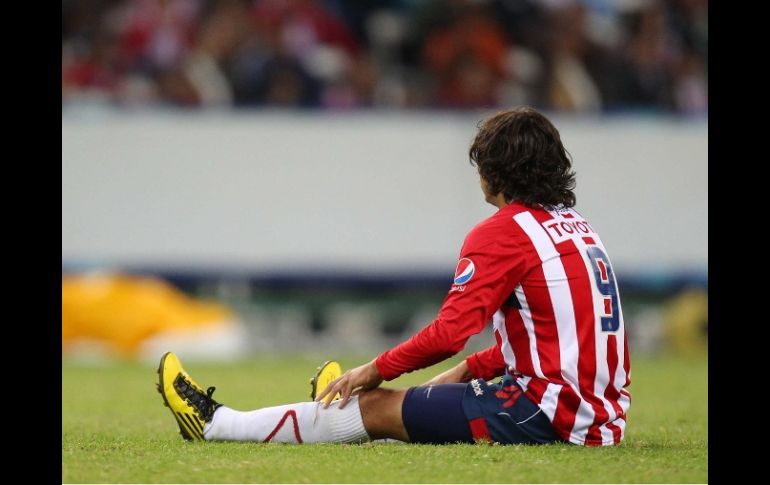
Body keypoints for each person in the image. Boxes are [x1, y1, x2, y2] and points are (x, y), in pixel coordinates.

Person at [157, 107, 631, 447]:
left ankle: (219, 424)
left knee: (375, 406)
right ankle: (344, 418)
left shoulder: (503, 233)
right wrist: (470, 368)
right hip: (600, 416)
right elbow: (562, 337)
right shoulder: (579, 229)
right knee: (420, 397)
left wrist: (372, 369)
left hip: (544, 414)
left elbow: (449, 334)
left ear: (494, 170)